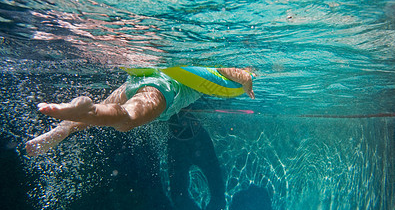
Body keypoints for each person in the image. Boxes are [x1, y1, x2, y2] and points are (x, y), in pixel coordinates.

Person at [25, 67, 255, 156]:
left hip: (135, 80)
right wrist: (247, 81)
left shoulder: (197, 63)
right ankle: (88, 108)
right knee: (126, 120)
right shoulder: (210, 70)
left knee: (90, 118)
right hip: (162, 89)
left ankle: (56, 134)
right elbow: (230, 72)